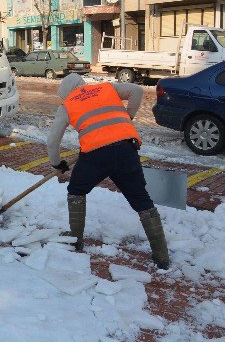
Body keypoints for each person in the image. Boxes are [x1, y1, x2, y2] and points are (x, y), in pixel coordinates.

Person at [47, 73, 170, 269]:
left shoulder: (68, 104)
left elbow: (52, 142)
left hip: (95, 157)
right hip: (125, 150)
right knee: (141, 199)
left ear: (65, 92)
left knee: (76, 190)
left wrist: (57, 164)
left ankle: (76, 240)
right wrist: (128, 117)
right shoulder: (106, 88)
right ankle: (162, 256)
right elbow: (137, 90)